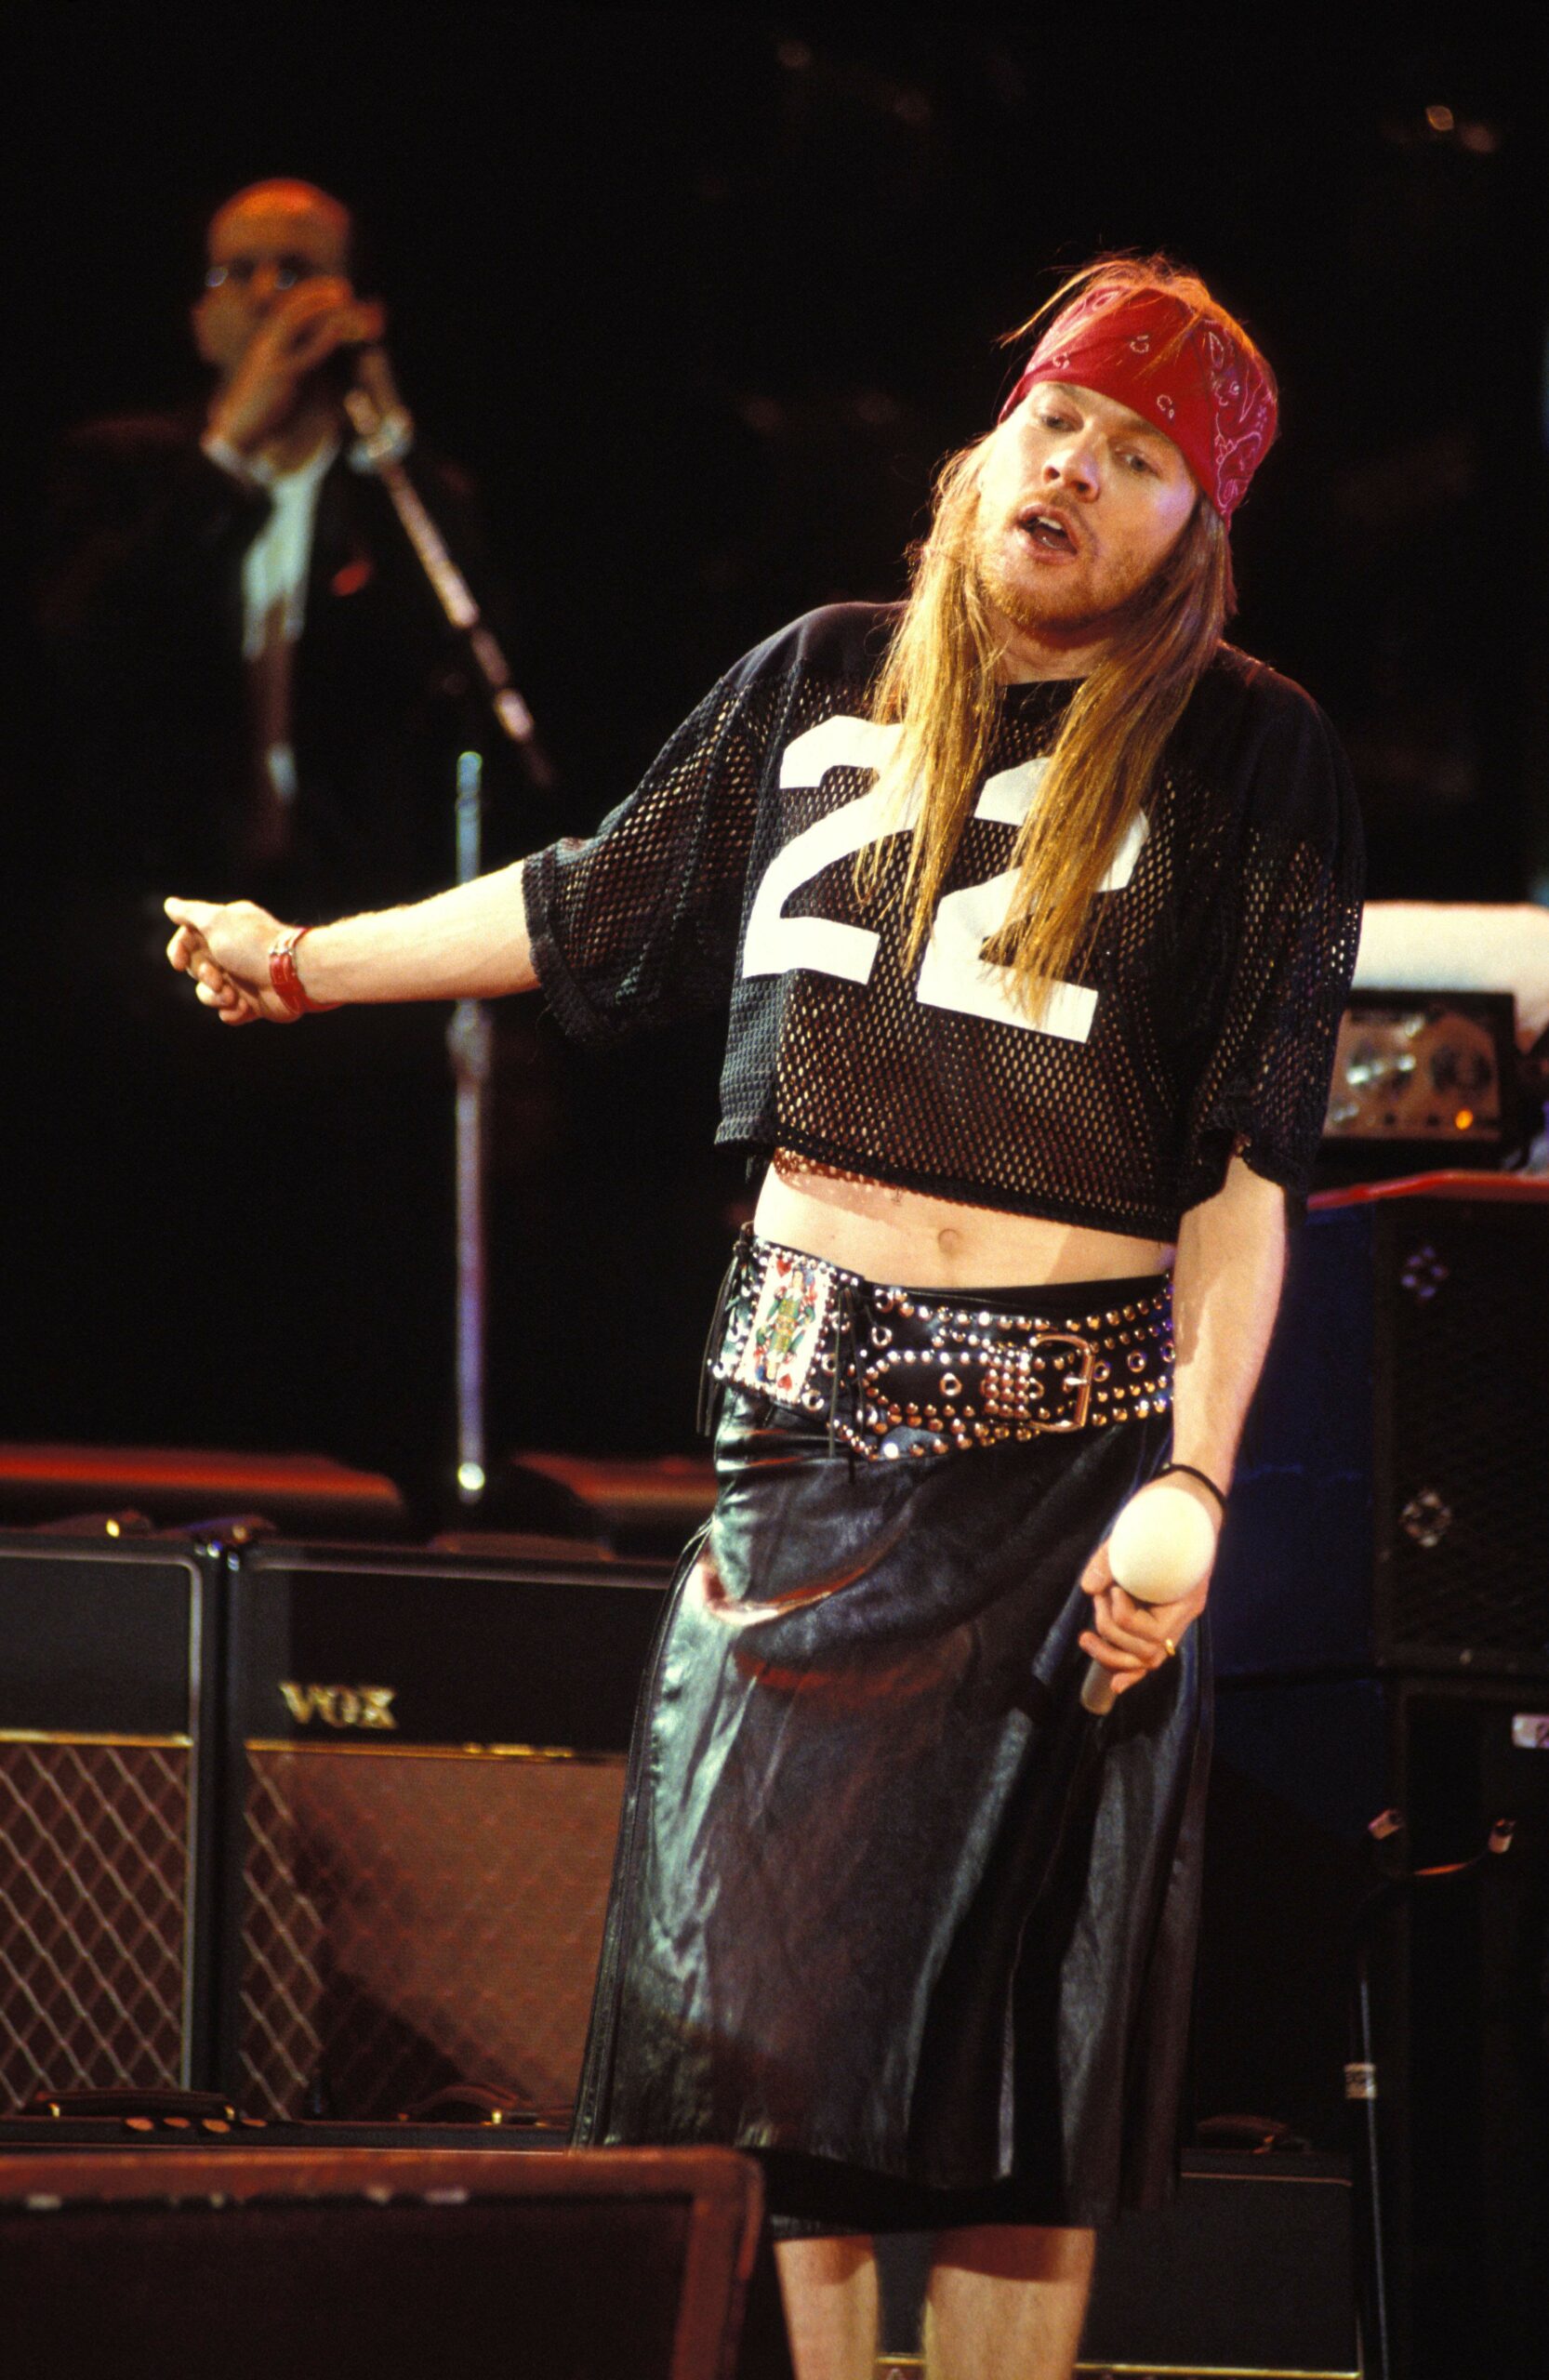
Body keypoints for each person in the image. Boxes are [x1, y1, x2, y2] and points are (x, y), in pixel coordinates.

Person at [165, 256, 1364, 2380]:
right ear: (990, 440)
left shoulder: (1251, 752)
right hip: (801, 1436)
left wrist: (1193, 1479)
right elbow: (588, 901)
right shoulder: (821, 676)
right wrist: (305, 959)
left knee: (1004, 2076)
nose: (1073, 468)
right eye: (1056, 421)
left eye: (1137, 456)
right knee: (764, 2043)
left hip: (1065, 1470)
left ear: (1199, 526)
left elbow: (1242, 1166)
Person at [38, 176, 512, 917]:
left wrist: (388, 434)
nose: (265, 295)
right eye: (237, 272)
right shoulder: (119, 466)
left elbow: (467, 659)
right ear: (202, 322)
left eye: (296, 272)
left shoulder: (400, 490)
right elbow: (81, 650)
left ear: (360, 312)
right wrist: (227, 453)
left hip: (350, 913)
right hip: (156, 905)